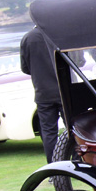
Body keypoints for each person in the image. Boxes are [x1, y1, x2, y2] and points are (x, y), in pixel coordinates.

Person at [19, 27, 63, 161]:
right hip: (64, 89)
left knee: (48, 132)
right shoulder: (59, 33)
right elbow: (78, 61)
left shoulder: (28, 37)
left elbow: (25, 68)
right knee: (74, 128)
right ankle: (79, 161)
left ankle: (53, 166)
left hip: (42, 91)